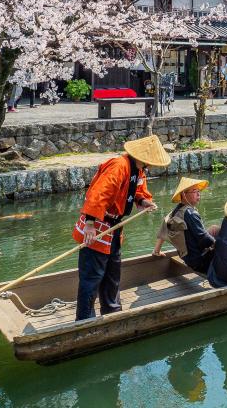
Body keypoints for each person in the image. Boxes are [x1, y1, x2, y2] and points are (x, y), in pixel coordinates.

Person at [72, 134, 170, 321]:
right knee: (92, 277)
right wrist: (90, 224)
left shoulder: (138, 170)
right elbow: (98, 195)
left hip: (115, 228)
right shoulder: (119, 166)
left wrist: (143, 202)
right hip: (98, 226)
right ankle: (84, 319)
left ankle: (112, 312)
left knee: (112, 272)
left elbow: (137, 192)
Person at [154, 177, 219, 274]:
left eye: (198, 191)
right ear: (184, 194)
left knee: (214, 229)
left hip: (188, 258)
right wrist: (222, 245)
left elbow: (163, 230)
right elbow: (204, 238)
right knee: (226, 242)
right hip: (200, 262)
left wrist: (156, 251)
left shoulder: (175, 211)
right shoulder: (190, 213)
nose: (198, 194)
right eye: (194, 191)